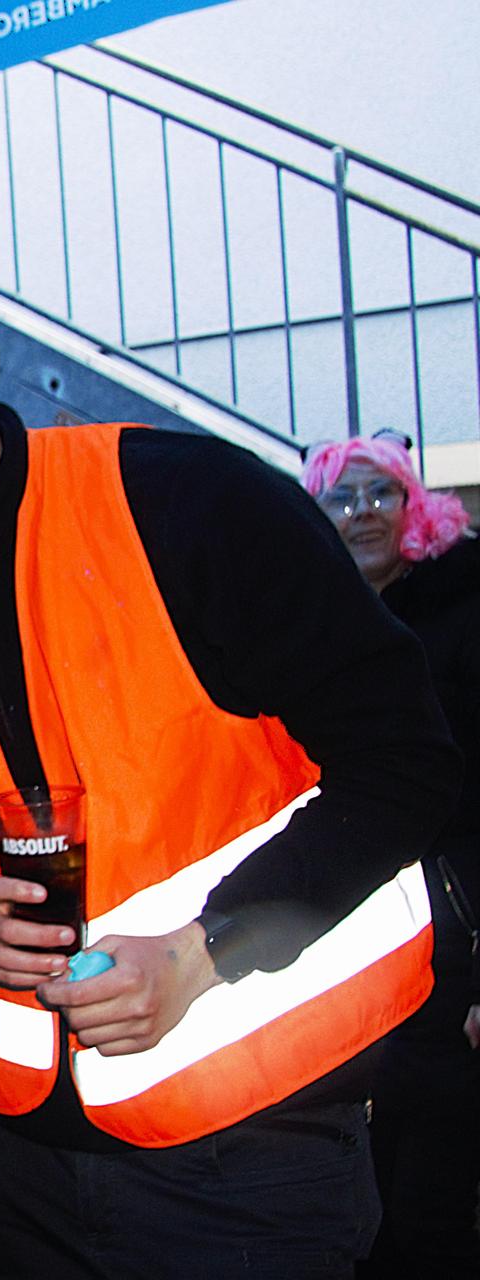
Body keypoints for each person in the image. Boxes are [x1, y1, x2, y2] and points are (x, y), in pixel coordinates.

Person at [0, 224, 461, 1278]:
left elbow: (408, 765)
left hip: (257, 1155)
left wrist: (203, 952)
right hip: (14, 1166)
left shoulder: (183, 500)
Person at [302, 435, 480, 1278]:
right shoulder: (308, 630)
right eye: (341, 498)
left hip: (456, 947)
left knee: (431, 1199)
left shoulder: (466, 607)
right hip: (352, 949)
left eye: (380, 493)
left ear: (417, 508)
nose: (362, 512)